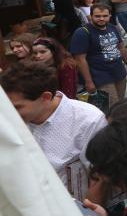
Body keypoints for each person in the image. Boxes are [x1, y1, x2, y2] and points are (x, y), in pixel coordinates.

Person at [1, 62, 106, 199]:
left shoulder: (88, 120)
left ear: (45, 98)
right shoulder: (10, 119)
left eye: (17, 107)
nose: (8, 112)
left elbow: (100, 179)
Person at [70, 3, 127, 106]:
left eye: (104, 16)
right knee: (112, 105)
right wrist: (88, 81)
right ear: (91, 16)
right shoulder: (82, 32)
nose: (101, 19)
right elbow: (80, 59)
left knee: (121, 103)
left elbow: (121, 47)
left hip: (119, 72)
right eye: (97, 16)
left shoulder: (113, 28)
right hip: (100, 77)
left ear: (110, 16)